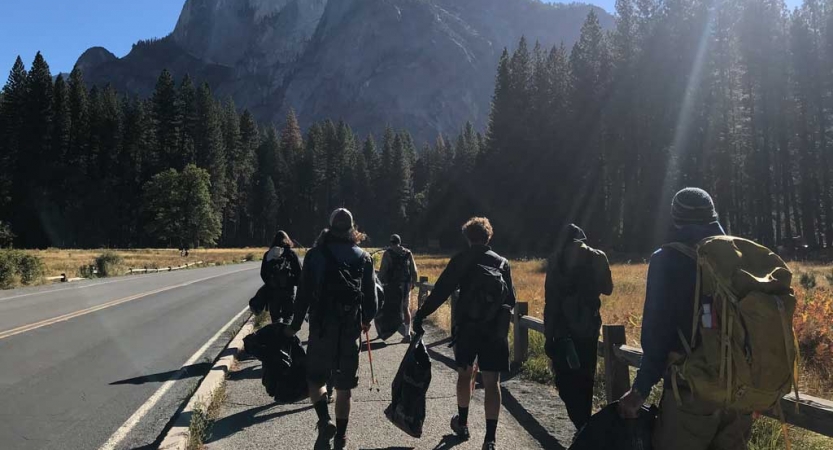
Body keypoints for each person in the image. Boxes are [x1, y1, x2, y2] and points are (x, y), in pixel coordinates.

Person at [618, 188, 751, 450]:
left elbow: (657, 335)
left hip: (692, 395)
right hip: (741, 396)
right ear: (713, 216)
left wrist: (640, 390)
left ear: (676, 219)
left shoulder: (668, 259)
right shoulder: (740, 256)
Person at [413, 217, 515, 450]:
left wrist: (421, 315)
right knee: (492, 382)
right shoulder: (502, 263)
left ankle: (463, 423)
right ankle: (490, 438)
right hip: (494, 332)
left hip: (467, 328)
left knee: (464, 375)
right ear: (489, 236)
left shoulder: (461, 260)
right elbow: (511, 300)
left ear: (468, 237)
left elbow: (440, 291)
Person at [285, 208, 377, 449]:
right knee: (345, 386)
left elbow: (303, 295)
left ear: (330, 226)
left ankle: (324, 420)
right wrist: (365, 320)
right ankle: (341, 437)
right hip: (350, 330)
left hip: (321, 328)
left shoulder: (315, 255)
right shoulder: (363, 257)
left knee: (315, 379)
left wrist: (294, 326)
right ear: (352, 228)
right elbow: (372, 301)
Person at [544, 224, 612, 431]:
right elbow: (608, 289)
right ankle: (585, 425)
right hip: (589, 327)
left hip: (563, 328)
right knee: (586, 376)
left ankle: (580, 423)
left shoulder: (555, 260)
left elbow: (551, 300)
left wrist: (549, 334)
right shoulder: (597, 257)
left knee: (565, 378)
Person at [378, 234, 419, 340]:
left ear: (391, 242)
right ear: (399, 242)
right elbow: (414, 270)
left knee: (391, 307)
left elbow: (383, 270)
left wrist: (379, 282)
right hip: (405, 284)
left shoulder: (388, 253)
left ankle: (387, 330)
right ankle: (407, 334)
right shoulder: (408, 253)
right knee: (405, 308)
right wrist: (413, 282)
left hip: (392, 285)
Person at [260, 231, 302, 325]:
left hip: (273, 292)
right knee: (288, 317)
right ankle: (286, 336)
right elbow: (300, 273)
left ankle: (276, 336)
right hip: (288, 291)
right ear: (287, 240)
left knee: (275, 319)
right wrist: (292, 282)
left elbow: (263, 273)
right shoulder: (291, 254)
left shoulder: (268, 254)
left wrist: (270, 283)